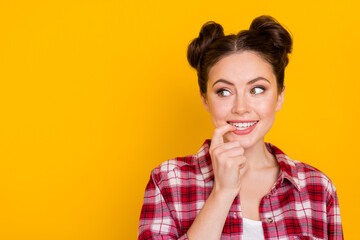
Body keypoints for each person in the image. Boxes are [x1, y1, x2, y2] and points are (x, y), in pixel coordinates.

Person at [138, 15, 343, 240]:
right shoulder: (169, 181)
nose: (241, 108)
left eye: (257, 89)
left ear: (280, 96)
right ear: (205, 99)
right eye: (224, 92)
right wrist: (222, 193)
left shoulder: (317, 189)